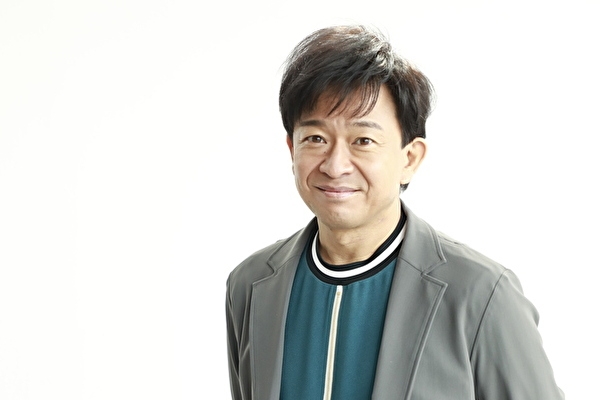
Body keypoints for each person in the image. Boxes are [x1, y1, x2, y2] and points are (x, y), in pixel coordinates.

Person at [226, 25, 564, 399]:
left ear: (409, 158)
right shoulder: (250, 285)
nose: (335, 166)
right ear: (292, 149)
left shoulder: (481, 293)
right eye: (316, 138)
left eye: (363, 140)